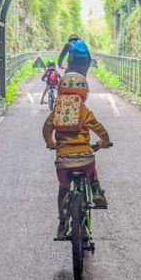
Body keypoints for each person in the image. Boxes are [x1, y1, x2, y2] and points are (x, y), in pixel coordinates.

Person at [42, 72, 110, 239]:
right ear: (84, 93)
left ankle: (62, 223)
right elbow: (98, 127)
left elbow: (47, 128)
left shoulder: (57, 111)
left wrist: (51, 143)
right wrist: (104, 141)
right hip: (84, 158)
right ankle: (96, 192)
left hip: (63, 162)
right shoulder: (84, 112)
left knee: (63, 188)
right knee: (91, 170)